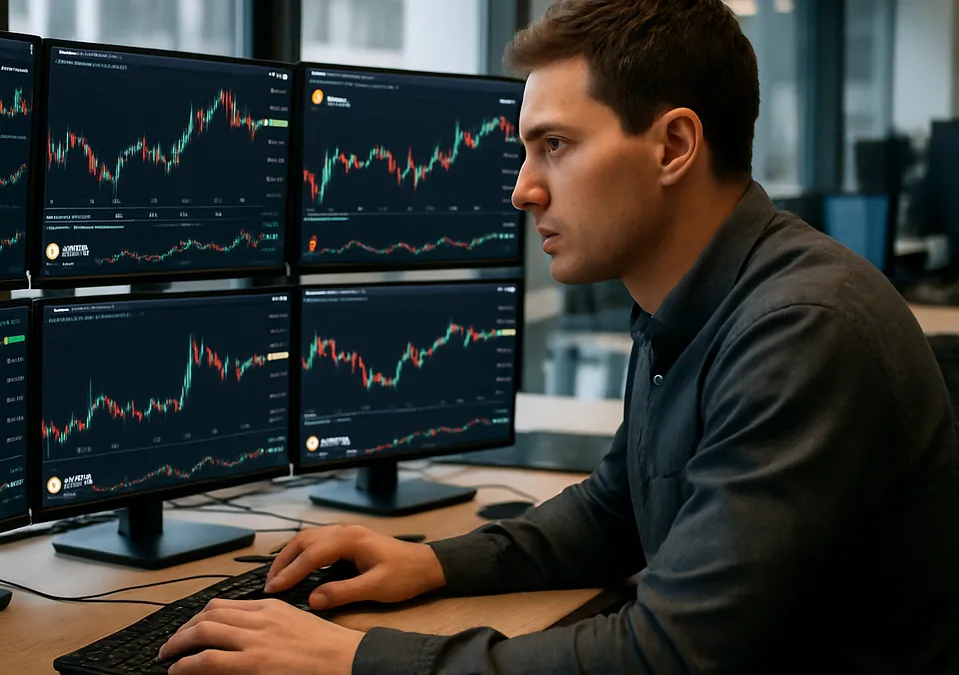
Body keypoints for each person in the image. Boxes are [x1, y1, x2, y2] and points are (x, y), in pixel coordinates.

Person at [158, 0, 959, 672]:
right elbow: (616, 507)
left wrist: (355, 658)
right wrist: (431, 562)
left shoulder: (800, 330)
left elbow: (665, 655)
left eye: (556, 146)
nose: (522, 188)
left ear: (674, 145)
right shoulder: (691, 301)